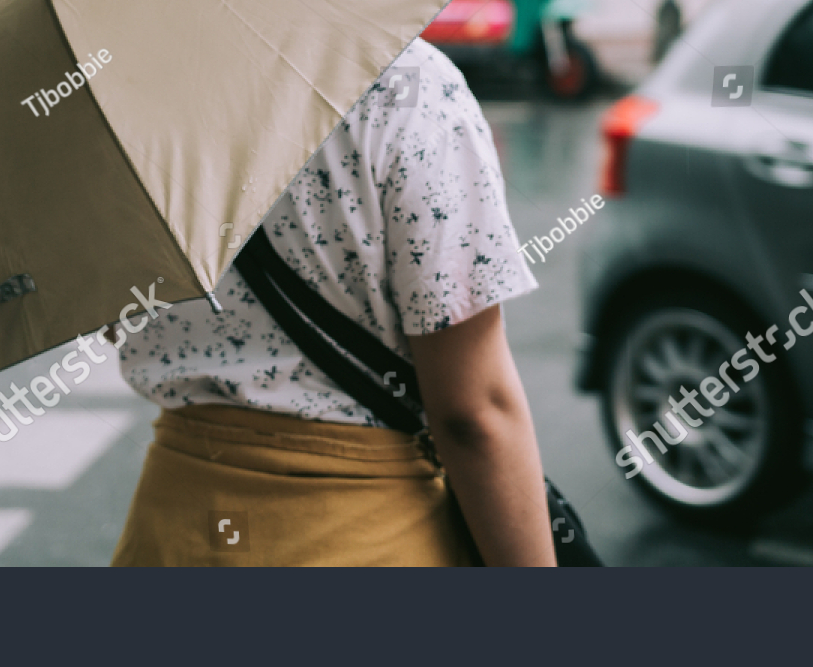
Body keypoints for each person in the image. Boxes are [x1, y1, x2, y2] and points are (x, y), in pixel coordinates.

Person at [109, 37, 555, 566]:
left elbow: (106, 305)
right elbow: (472, 413)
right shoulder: (405, 84)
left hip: (171, 535)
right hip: (361, 538)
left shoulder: (118, 91)